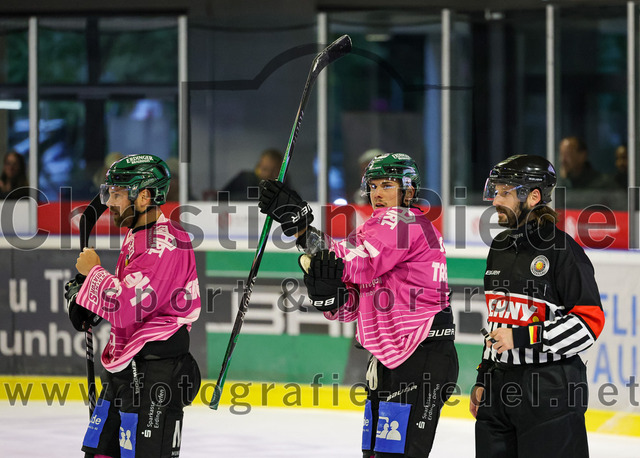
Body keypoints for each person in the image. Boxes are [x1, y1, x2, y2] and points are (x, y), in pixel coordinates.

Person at [258, 152, 459, 458]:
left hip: (420, 354)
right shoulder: (375, 228)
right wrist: (330, 296)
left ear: (408, 191)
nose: (377, 193)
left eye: (387, 185)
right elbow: (353, 298)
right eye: (373, 185)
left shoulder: (403, 222)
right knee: (376, 455)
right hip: (393, 356)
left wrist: (300, 225)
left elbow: (357, 263)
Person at [64, 154, 201, 458]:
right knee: (99, 453)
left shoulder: (162, 244)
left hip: (155, 373)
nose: (109, 202)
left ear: (144, 196)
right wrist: (87, 295)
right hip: (128, 365)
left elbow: (127, 308)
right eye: (108, 193)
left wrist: (94, 274)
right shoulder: (139, 233)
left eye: (117, 194)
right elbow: (133, 294)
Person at [470, 154, 605, 458]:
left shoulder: (563, 250)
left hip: (550, 389)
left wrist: (522, 337)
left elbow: (589, 323)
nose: (495, 201)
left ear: (532, 197)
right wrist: (484, 376)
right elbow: (497, 322)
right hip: (499, 388)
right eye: (495, 191)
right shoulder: (499, 247)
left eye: (504, 193)